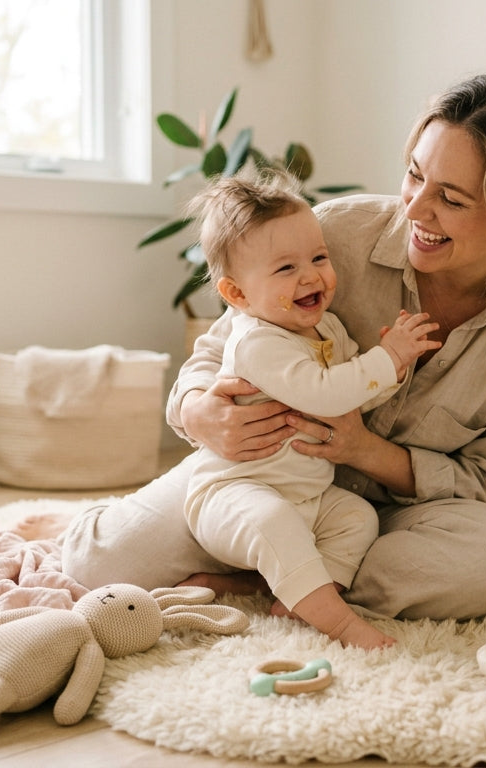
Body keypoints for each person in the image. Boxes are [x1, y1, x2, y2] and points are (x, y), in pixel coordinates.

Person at [48, 69, 486, 622]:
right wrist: (199, 411)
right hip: (260, 476)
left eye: (450, 199)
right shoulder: (331, 235)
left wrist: (362, 450)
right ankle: (293, 578)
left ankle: (270, 582)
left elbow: (484, 485)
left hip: (389, 521)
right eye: (414, 175)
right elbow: (218, 349)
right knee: (99, 563)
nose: (414, 208)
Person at [180, 170, 439, 648]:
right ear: (238, 295)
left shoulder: (329, 329)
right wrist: (387, 358)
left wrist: (392, 374)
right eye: (285, 269)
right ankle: (338, 623)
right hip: (235, 493)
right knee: (272, 523)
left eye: (319, 257)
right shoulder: (259, 343)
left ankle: (281, 592)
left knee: (358, 518)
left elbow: (352, 397)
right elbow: (324, 394)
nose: (311, 275)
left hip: (306, 495)